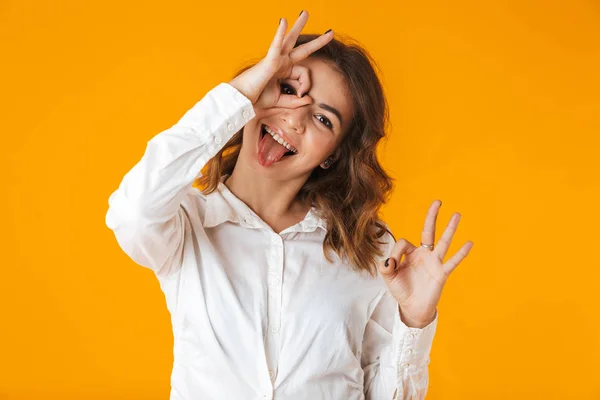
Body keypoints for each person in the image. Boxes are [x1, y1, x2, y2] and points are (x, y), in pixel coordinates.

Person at [105, 10, 473, 400]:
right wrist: (240, 94)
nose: (294, 118)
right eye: (287, 90)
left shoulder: (369, 249)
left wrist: (414, 321)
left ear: (332, 155)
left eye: (322, 119)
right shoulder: (186, 224)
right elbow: (131, 212)